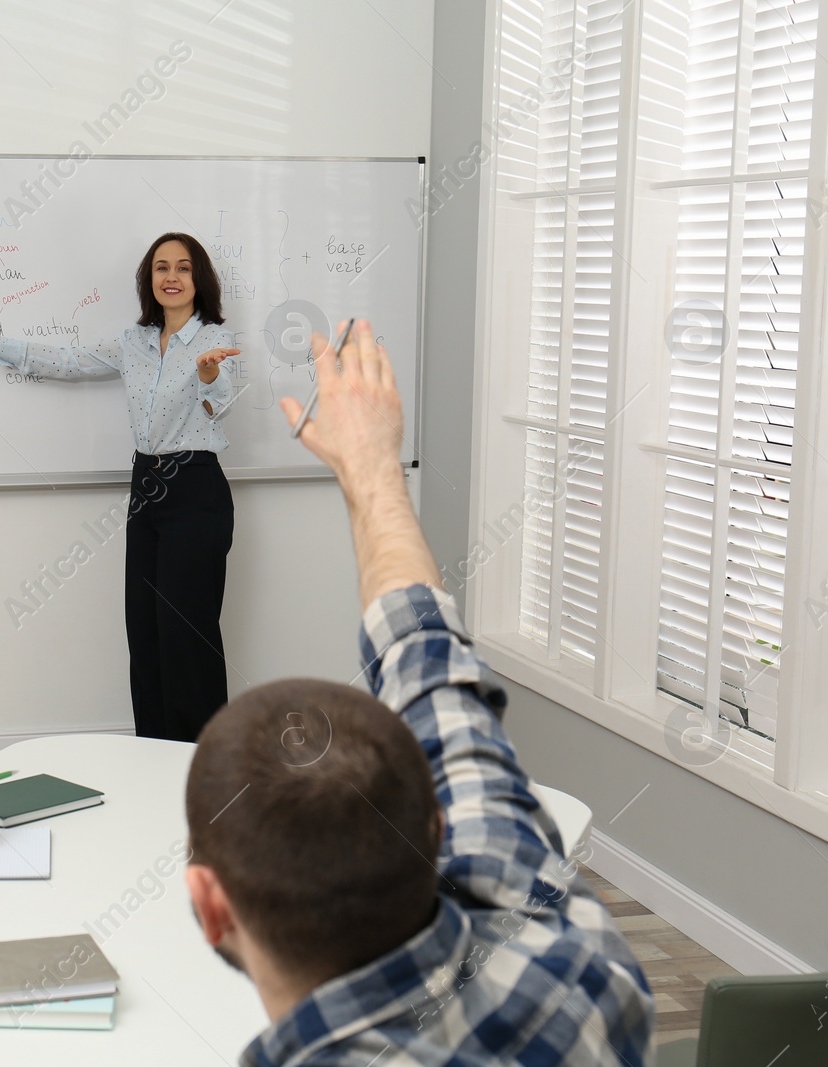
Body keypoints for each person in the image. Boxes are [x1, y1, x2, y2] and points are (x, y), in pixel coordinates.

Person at [182, 321, 655, 1065]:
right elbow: (431, 668)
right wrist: (372, 468)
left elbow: (436, 676)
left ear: (211, 906)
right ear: (440, 828)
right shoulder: (578, 968)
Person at [0, 232, 242, 742]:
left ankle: (202, 761)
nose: (171, 277)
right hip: (146, 485)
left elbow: (224, 404)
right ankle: (154, 751)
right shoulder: (134, 343)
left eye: (183, 268)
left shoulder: (216, 339)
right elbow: (69, 361)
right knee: (145, 631)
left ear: (200, 280)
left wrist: (209, 375)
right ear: (148, 280)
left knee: (187, 635)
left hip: (196, 487)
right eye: (161, 268)